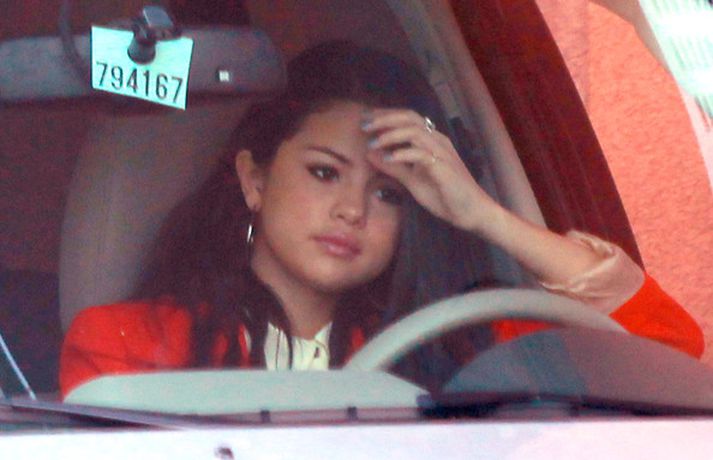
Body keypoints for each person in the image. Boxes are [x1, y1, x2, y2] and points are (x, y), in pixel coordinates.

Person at [59, 40, 703, 398]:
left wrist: (482, 214)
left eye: (389, 194)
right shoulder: (127, 344)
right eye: (324, 172)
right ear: (254, 179)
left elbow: (666, 350)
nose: (352, 209)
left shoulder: (456, 350)